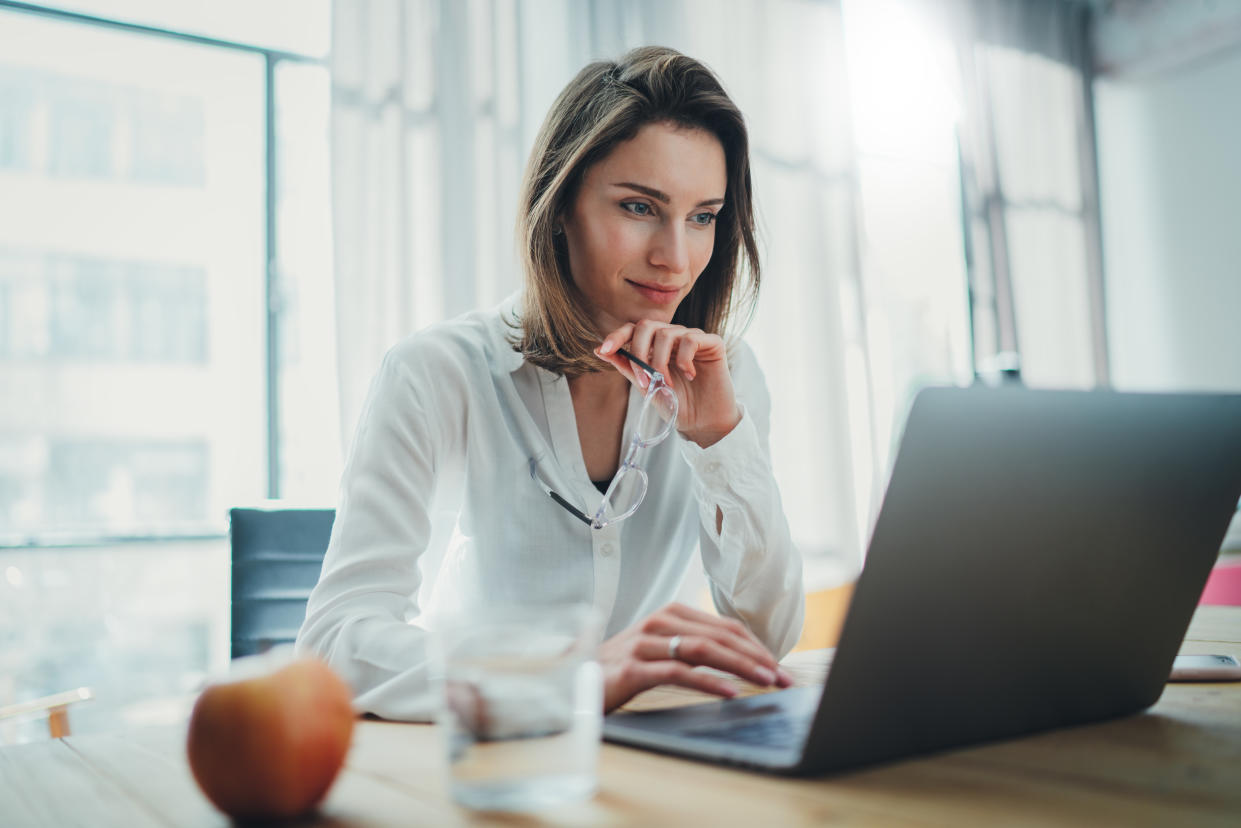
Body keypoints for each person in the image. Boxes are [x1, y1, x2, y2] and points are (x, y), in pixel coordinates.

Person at [296, 46, 820, 719]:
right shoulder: (437, 372)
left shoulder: (725, 376)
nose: (675, 257)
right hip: (488, 755)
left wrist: (719, 440)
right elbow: (335, 641)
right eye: (638, 207)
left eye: (702, 217)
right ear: (561, 202)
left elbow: (765, 638)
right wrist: (562, 677)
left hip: (654, 755)